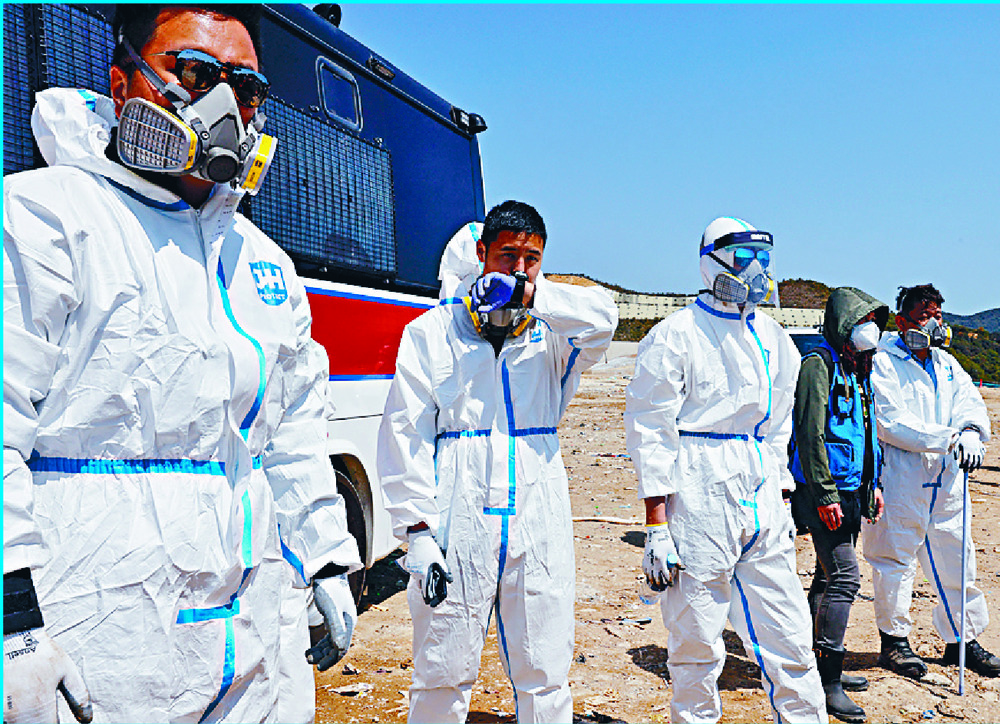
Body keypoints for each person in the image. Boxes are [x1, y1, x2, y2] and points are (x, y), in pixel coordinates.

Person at [3, 6, 363, 721]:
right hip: (99, 632)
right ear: (120, 82)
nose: (223, 104)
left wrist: (324, 556)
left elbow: (292, 435)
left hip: (250, 630)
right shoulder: (45, 216)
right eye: (194, 73)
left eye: (246, 87)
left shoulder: (264, 263)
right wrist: (13, 625)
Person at [377, 200, 617, 723]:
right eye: (507, 256)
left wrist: (535, 294)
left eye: (532, 259)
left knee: (545, 670)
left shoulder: (552, 335)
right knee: (443, 669)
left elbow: (606, 319)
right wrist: (416, 532)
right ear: (481, 254)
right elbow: (405, 432)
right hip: (458, 513)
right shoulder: (432, 332)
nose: (519, 268)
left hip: (539, 510)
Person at [625, 216, 827, 724]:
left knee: (790, 636)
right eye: (743, 259)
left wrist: (781, 498)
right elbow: (651, 431)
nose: (756, 271)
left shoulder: (775, 338)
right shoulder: (675, 335)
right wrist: (656, 525)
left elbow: (780, 425)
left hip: (760, 491)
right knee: (697, 641)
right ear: (711, 262)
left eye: (763, 259)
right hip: (697, 487)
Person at [862, 284, 998, 679]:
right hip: (902, 475)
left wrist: (972, 430)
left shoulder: (947, 363)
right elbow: (890, 420)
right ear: (902, 319)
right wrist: (948, 438)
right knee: (894, 559)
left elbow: (969, 403)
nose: (933, 320)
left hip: (948, 478)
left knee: (957, 557)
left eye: (937, 313)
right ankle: (895, 642)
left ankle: (962, 638)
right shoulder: (883, 362)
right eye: (924, 313)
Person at [788, 287, 888, 722]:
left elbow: (866, 433)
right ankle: (829, 680)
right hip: (823, 491)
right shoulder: (819, 365)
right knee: (845, 577)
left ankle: (816, 664)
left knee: (826, 578)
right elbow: (810, 435)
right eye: (863, 320)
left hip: (851, 490)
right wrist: (825, 493)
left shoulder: (859, 367)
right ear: (845, 324)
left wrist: (874, 485)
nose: (871, 329)